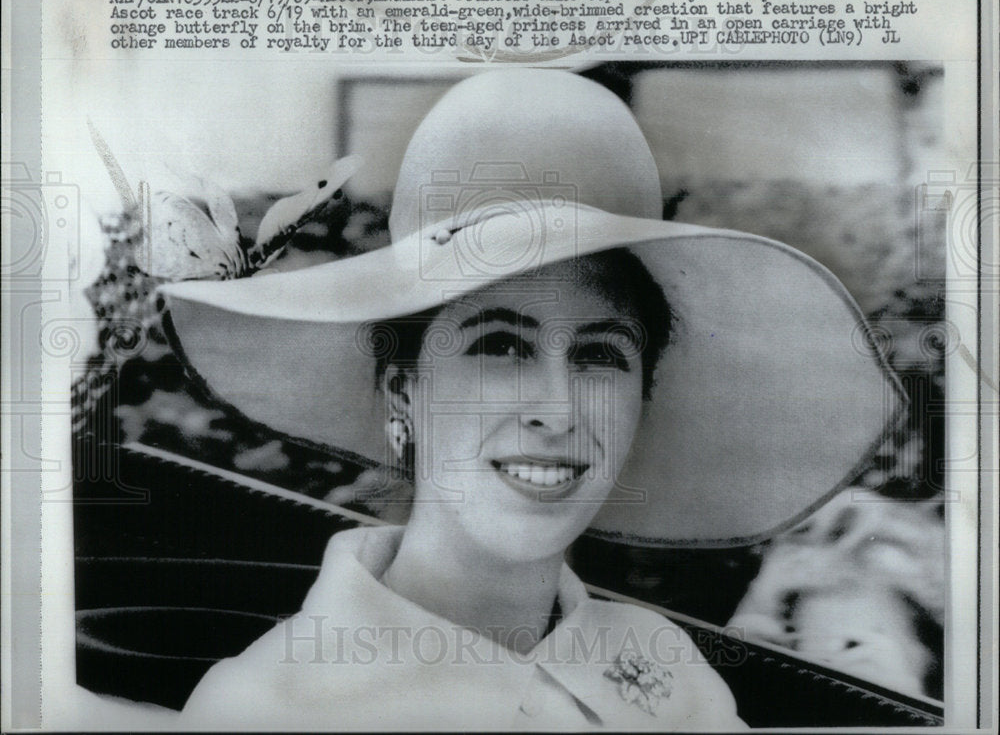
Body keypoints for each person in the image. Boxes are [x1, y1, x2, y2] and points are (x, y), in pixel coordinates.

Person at [162, 69, 904, 730]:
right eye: (500, 346)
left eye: (599, 356)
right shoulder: (268, 710)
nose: (558, 409)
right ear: (404, 393)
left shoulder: (666, 674)